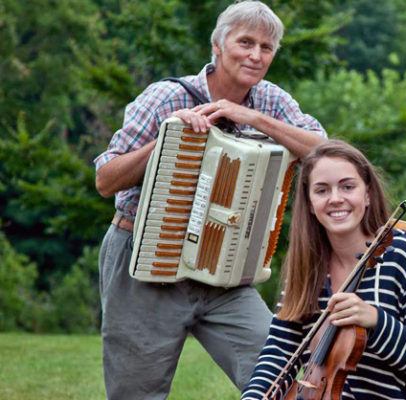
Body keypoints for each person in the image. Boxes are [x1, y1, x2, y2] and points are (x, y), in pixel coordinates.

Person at [93, 2, 326, 398]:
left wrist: (252, 117)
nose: (255, 55)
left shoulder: (270, 101)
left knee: (282, 374)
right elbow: (105, 179)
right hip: (146, 264)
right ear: (218, 45)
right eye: (245, 42)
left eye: (266, 48)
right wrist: (167, 139)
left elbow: (326, 150)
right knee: (136, 393)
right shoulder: (167, 96)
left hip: (227, 268)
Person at [241, 140, 406, 400]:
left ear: (368, 194)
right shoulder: (307, 265)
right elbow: (279, 354)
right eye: (322, 190)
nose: (336, 199)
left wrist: (375, 320)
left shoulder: (403, 254)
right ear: (309, 202)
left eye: (347, 187)